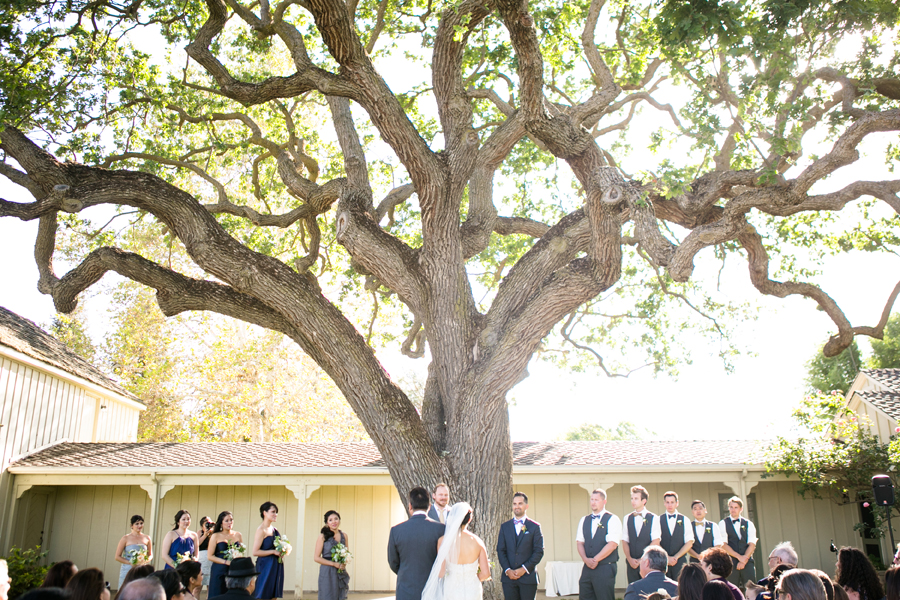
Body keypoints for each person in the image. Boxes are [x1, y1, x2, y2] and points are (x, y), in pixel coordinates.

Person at [421, 502, 491, 600]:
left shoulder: (443, 541)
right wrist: (472, 579)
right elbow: (486, 573)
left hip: (451, 589)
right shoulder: (477, 541)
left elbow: (441, 573)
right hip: (473, 589)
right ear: (469, 520)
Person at [388, 487, 446, 600]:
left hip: (405, 589)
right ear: (429, 506)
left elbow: (393, 562)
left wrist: (407, 572)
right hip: (433, 589)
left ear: (410, 506)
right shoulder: (441, 529)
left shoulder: (396, 530)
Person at [497, 492, 544, 600]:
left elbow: (539, 551)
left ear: (526, 506)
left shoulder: (534, 527)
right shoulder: (505, 527)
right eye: (514, 504)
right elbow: (500, 550)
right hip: (508, 579)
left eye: (520, 503)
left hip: (528, 578)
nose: (517, 506)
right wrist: (508, 570)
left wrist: (524, 569)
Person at [576, 488, 621, 600]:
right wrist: (586, 559)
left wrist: (595, 559)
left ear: (604, 501)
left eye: (596, 500)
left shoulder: (612, 519)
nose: (593, 502)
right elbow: (580, 542)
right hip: (587, 567)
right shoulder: (584, 520)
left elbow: (612, 544)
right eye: (591, 499)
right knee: (585, 595)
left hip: (605, 567)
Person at [622, 485, 661, 584]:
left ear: (644, 501)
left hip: (648, 563)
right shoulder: (627, 518)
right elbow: (625, 540)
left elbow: (656, 541)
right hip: (632, 564)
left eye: (636, 499)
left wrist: (642, 559)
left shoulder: (653, 518)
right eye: (632, 498)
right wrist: (629, 559)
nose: (633, 501)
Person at [718, 496, 757, 588]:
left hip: (747, 562)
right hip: (730, 562)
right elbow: (723, 545)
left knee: (751, 588)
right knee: (731, 590)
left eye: (736, 507)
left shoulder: (749, 524)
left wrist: (744, 560)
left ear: (741, 509)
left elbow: (752, 544)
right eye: (731, 507)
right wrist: (739, 557)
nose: (733, 510)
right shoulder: (723, 523)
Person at [314, 510, 350, 600]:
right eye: (330, 520)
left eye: (336, 519)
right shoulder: (322, 536)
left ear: (339, 520)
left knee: (340, 595)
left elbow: (346, 553)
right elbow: (316, 558)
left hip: (340, 571)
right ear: (327, 523)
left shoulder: (344, 535)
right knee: (327, 595)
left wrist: (343, 564)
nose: (334, 522)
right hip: (327, 571)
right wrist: (334, 564)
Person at [252, 502, 285, 600]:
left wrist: (282, 550)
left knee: (273, 594)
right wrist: (273, 552)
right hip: (265, 565)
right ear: (264, 513)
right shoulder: (261, 530)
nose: (276, 514)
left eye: (276, 512)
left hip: (275, 564)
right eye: (273, 512)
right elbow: (255, 552)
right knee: (263, 593)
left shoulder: (274, 529)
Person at [209, 511, 245, 599]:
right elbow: (210, 556)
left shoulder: (238, 535)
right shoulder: (216, 536)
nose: (229, 523)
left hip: (234, 570)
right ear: (221, 523)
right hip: (220, 569)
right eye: (226, 520)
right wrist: (226, 562)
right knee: (218, 594)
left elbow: (241, 552)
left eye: (231, 520)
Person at [660, 491, 694, 579]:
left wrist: (676, 557)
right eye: (667, 502)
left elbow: (689, 542)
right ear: (664, 503)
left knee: (680, 589)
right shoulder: (658, 520)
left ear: (677, 503)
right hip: (662, 562)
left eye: (672, 502)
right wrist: (667, 557)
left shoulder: (685, 520)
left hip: (680, 562)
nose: (669, 505)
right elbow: (656, 541)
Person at [115, 516, 153, 588]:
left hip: (141, 568)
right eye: (137, 524)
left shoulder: (147, 538)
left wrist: (144, 561)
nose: (139, 526)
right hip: (128, 568)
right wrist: (130, 562)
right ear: (131, 526)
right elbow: (117, 557)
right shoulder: (125, 538)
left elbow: (150, 555)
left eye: (141, 523)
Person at [197, 517, 214, 588]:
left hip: (210, 560)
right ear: (202, 526)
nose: (208, 525)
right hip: (201, 560)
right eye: (206, 523)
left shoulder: (214, 533)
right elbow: (196, 544)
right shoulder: (200, 532)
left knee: (209, 586)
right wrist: (205, 535)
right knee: (198, 587)